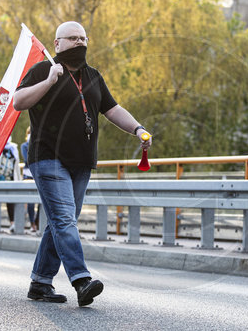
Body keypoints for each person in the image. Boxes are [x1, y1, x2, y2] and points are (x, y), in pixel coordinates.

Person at [13, 21, 152, 307]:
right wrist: (49, 81)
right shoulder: (43, 69)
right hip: (49, 158)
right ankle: (81, 280)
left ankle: (40, 282)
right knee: (64, 220)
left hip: (82, 161)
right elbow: (17, 101)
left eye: (83, 38)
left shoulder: (93, 76)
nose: (79, 43)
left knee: (61, 222)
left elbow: (112, 109)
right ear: (57, 44)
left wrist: (138, 129)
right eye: (73, 38)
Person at [0, 136, 21, 232]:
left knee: (10, 201)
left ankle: (12, 223)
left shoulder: (13, 148)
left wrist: (18, 179)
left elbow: (17, 166)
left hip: (10, 178)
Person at [21, 126, 39, 232]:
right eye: (29, 132)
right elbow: (27, 159)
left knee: (42, 201)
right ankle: (32, 223)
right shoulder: (24, 146)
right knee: (31, 202)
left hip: (38, 175)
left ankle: (37, 221)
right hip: (28, 175)